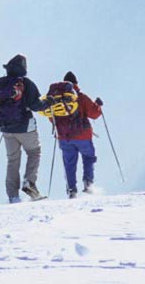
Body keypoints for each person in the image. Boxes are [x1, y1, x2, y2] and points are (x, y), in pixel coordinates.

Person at [0, 54, 50, 203]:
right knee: (34, 152)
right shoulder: (26, 83)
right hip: (25, 126)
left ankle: (13, 196)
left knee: (12, 160)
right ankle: (29, 183)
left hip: (6, 128)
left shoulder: (0, 83)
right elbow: (36, 106)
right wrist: (49, 102)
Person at [46, 71, 103, 199]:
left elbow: (52, 118)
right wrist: (98, 105)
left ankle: (72, 190)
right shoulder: (80, 97)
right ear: (76, 84)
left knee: (69, 163)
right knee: (88, 157)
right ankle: (88, 183)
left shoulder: (55, 99)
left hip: (64, 137)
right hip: (82, 135)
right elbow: (94, 114)